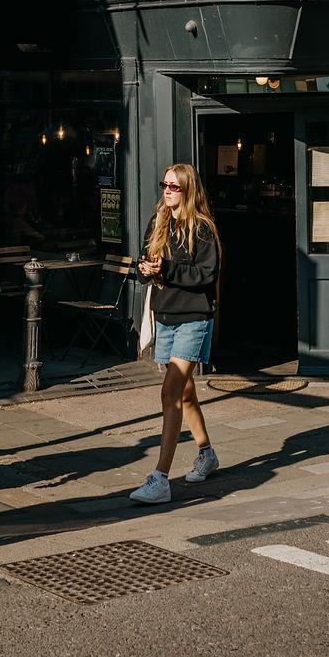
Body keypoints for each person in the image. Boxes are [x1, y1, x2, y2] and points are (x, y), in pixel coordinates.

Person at [130, 163, 220, 506]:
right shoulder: (159, 223)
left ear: (187, 189)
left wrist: (166, 268)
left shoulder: (202, 229)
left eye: (173, 186)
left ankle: (161, 479)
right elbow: (145, 262)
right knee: (184, 395)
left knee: (169, 394)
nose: (166, 190)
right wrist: (145, 268)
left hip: (194, 318)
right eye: (164, 184)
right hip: (165, 315)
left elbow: (206, 274)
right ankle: (207, 454)